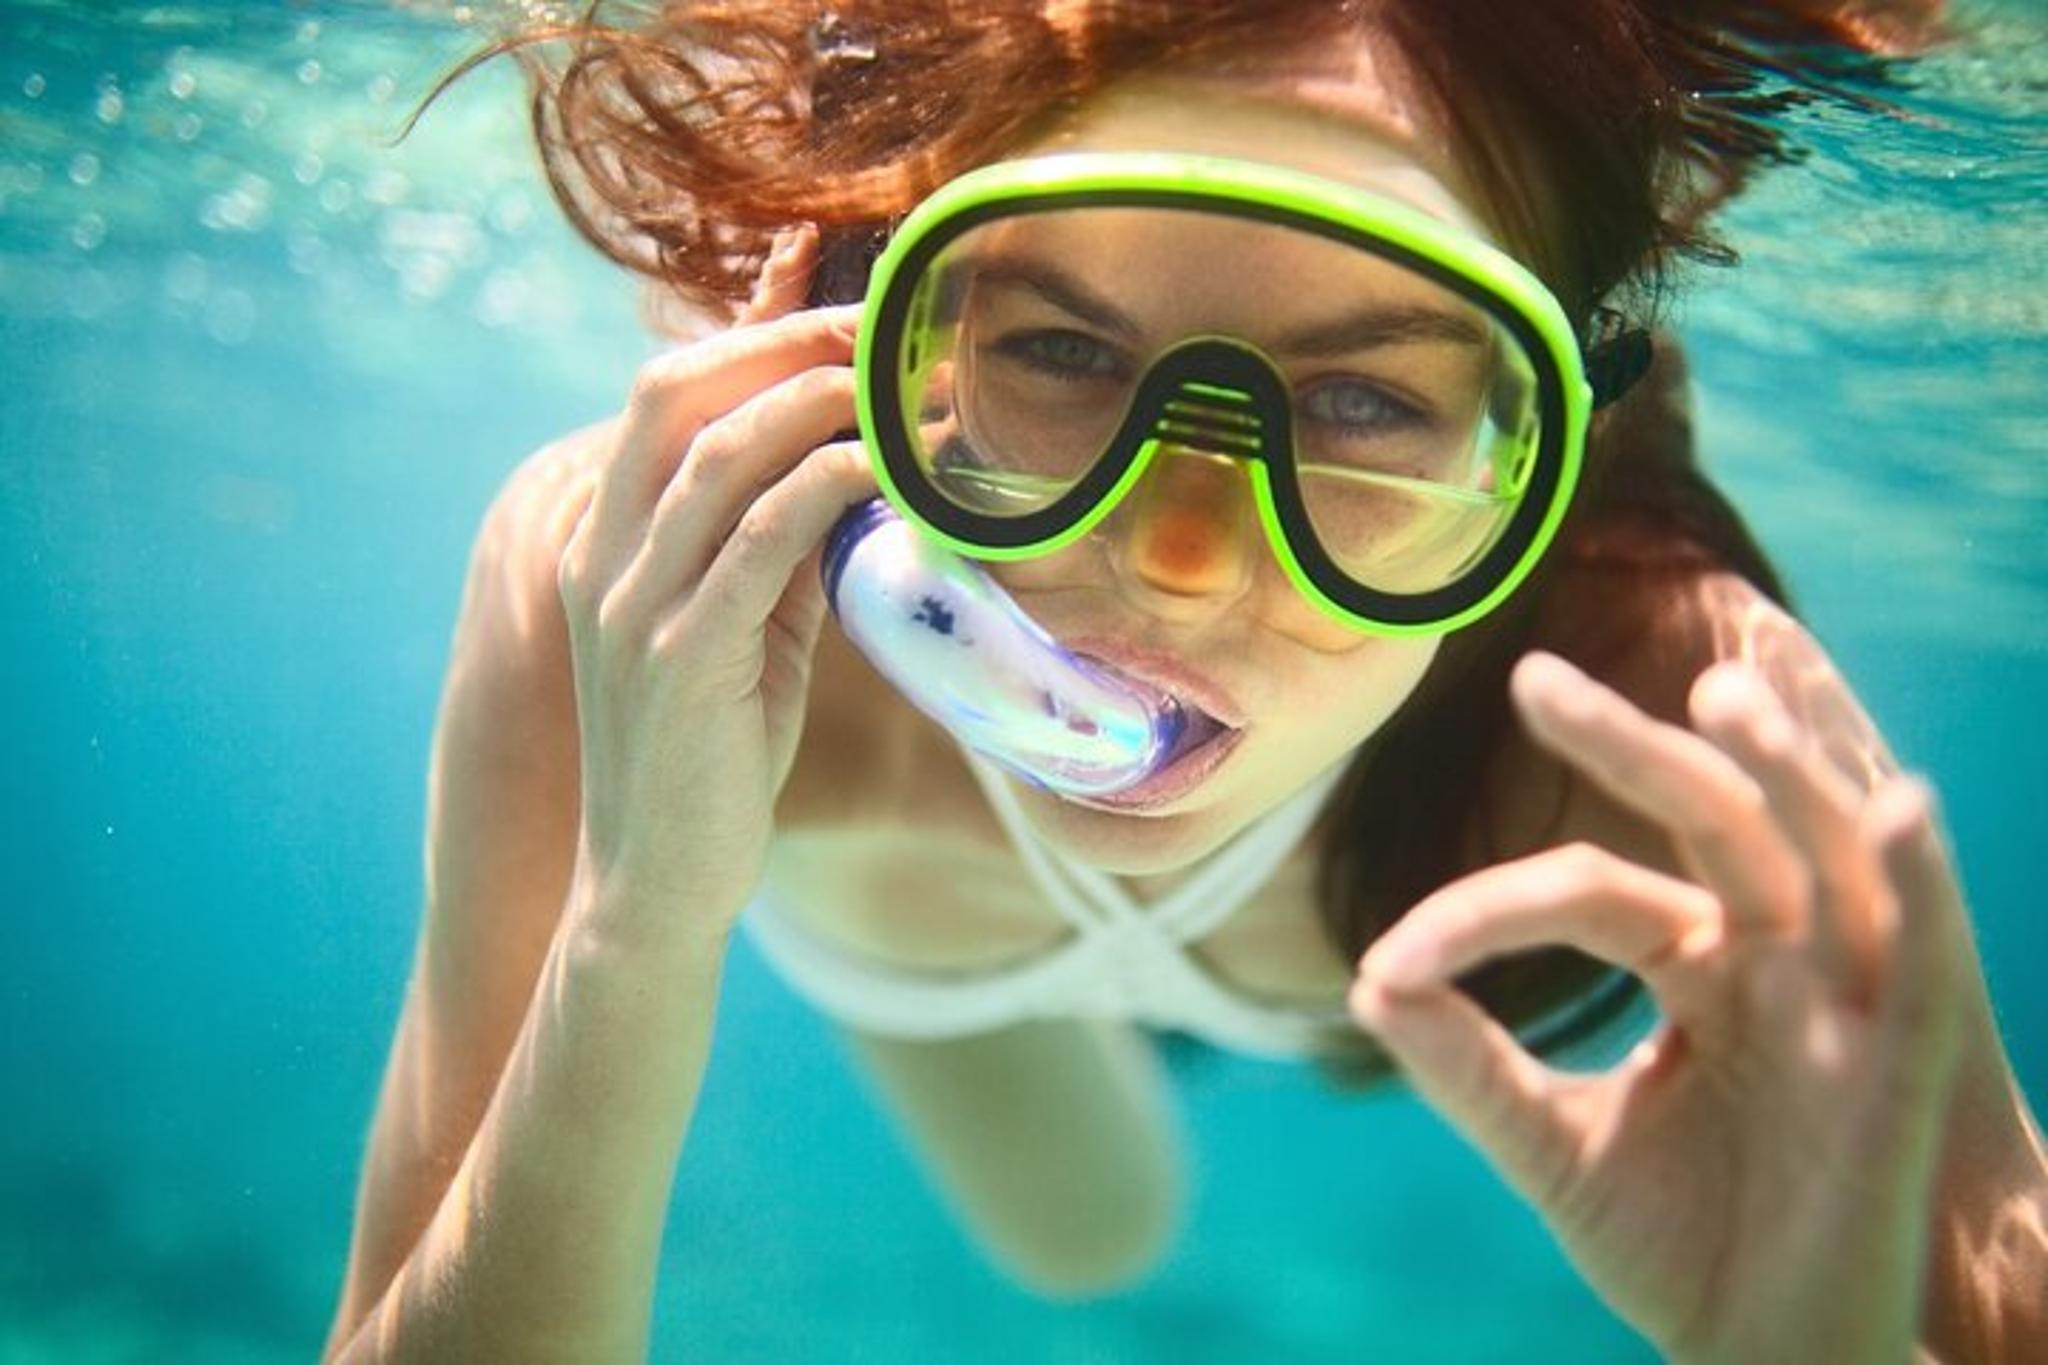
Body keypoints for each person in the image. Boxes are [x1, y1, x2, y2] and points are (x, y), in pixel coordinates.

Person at [323, 2, 2046, 1360]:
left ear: (1547, 449)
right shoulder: (644, 592)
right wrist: (635, 927)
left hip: (1309, 908)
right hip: (926, 948)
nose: (1188, 557)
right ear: (856, 333)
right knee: (1086, 1235)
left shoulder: (1667, 698)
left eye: (1368, 403)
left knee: (1090, 1235)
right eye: (1062, 351)